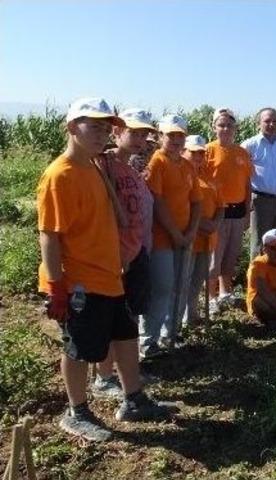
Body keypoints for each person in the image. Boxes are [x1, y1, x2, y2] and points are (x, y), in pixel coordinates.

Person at [38, 98, 173, 443]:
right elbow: (50, 236)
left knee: (126, 337)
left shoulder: (94, 168)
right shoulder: (60, 175)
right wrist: (56, 287)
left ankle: (134, 399)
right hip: (80, 280)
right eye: (92, 125)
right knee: (80, 348)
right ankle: (76, 411)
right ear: (71, 128)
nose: (102, 133)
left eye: (105, 126)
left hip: (110, 274)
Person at [91, 108, 157, 399]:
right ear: (117, 132)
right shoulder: (103, 163)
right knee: (112, 320)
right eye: (135, 131)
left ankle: (125, 372)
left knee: (128, 319)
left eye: (144, 133)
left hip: (137, 250)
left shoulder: (131, 166)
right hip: (117, 256)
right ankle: (104, 377)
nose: (141, 137)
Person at [142, 115, 202, 356]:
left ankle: (171, 334)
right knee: (163, 287)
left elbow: (196, 201)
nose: (176, 140)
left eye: (180, 135)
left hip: (185, 238)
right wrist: (177, 234)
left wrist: (190, 232)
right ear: (159, 137)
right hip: (162, 238)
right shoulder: (157, 162)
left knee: (180, 286)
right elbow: (157, 202)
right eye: (171, 135)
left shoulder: (187, 165)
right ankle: (148, 341)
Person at [204, 107, 252, 311]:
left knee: (231, 256)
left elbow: (247, 183)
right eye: (221, 125)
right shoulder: (208, 150)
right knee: (215, 257)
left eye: (229, 125)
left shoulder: (242, 152)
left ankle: (226, 292)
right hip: (217, 211)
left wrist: (248, 210)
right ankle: (211, 297)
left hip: (238, 211)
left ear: (235, 128)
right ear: (214, 127)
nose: (225, 129)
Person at [182, 135, 223, 328]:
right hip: (189, 236)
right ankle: (177, 322)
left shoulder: (210, 178)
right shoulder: (181, 176)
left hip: (208, 237)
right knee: (183, 280)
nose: (198, 157)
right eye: (194, 153)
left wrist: (214, 224)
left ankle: (191, 315)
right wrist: (198, 224)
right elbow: (179, 208)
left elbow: (221, 206)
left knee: (198, 279)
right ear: (184, 152)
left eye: (201, 153)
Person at [242, 107, 276, 260]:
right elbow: (243, 174)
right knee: (259, 242)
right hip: (261, 201)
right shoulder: (250, 145)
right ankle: (256, 279)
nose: (271, 124)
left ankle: (274, 278)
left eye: (274, 121)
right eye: (267, 121)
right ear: (259, 123)